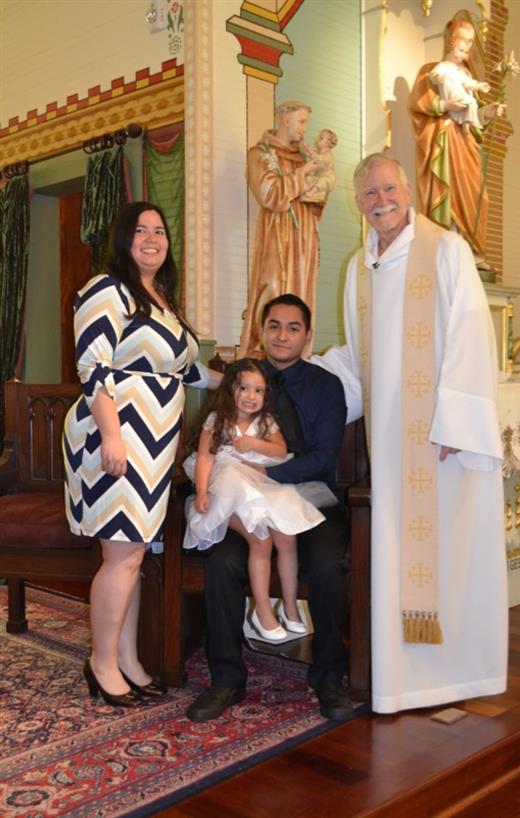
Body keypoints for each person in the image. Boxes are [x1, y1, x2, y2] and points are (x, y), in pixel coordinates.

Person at [313, 153, 508, 714]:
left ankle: (462, 673)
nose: (381, 201)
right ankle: (404, 680)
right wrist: (304, 388)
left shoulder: (445, 248)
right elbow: (357, 357)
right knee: (401, 554)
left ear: (410, 190)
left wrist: (456, 421)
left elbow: (472, 335)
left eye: (388, 188)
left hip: (443, 438)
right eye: (369, 193)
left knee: (452, 548)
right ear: (359, 202)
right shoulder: (359, 267)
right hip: (393, 447)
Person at [63, 202, 218, 707]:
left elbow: (187, 372)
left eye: (160, 230)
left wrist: (245, 380)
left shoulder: (162, 300)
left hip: (155, 441)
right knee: (123, 554)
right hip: (118, 432)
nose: (152, 238)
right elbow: (93, 366)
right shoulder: (106, 288)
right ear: (122, 238)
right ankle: (102, 663)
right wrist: (111, 435)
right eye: (140, 230)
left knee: (129, 554)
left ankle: (126, 659)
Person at [186, 294, 353, 722]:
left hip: (307, 494)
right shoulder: (239, 382)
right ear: (262, 331)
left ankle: (329, 677)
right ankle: (226, 676)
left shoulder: (325, 386)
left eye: (293, 327)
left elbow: (323, 457)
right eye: (273, 326)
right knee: (222, 560)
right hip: (248, 500)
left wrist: (265, 475)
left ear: (307, 335)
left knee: (330, 564)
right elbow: (211, 441)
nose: (282, 335)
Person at [183, 357, 334, 640]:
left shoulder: (265, 421)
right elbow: (205, 458)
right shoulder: (218, 420)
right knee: (261, 538)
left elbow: (279, 451)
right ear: (231, 390)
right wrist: (202, 492)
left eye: (259, 391)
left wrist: (253, 443)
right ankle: (262, 610)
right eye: (244, 389)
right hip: (226, 488)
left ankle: (290, 607)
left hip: (258, 483)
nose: (251, 396)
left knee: (287, 535)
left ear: (266, 395)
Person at [408, 18, 504, 262]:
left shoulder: (466, 74)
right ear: (450, 40)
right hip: (444, 139)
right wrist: (445, 104)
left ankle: (470, 248)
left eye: (471, 41)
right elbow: (418, 104)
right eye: (463, 39)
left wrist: (487, 113)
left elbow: (473, 116)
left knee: (477, 195)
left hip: (466, 142)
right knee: (448, 189)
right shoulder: (432, 70)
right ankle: (447, 245)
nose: (467, 46)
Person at [238, 101, 328, 358]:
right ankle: (261, 351)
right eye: (301, 122)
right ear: (286, 121)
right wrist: (306, 172)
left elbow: (317, 195)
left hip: (304, 235)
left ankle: (298, 355)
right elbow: (271, 195)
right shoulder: (260, 154)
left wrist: (317, 187)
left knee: (301, 293)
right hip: (277, 233)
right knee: (273, 286)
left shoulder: (304, 156)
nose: (304, 128)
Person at [429, 40, 490, 133]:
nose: (463, 55)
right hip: (450, 95)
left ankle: (467, 123)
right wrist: (437, 78)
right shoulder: (443, 65)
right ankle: (468, 122)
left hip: (459, 93)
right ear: (450, 49)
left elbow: (467, 82)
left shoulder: (459, 70)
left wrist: (479, 86)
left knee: (472, 102)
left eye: (465, 52)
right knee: (469, 102)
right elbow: (434, 74)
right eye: (461, 51)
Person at [300, 129, 338, 203]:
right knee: (307, 179)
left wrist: (308, 150)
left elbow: (318, 160)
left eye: (321, 138)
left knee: (322, 181)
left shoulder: (328, 156)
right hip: (317, 176)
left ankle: (313, 191)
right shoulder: (317, 151)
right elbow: (309, 154)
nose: (317, 139)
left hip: (327, 178)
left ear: (328, 143)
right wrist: (304, 145)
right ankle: (306, 192)